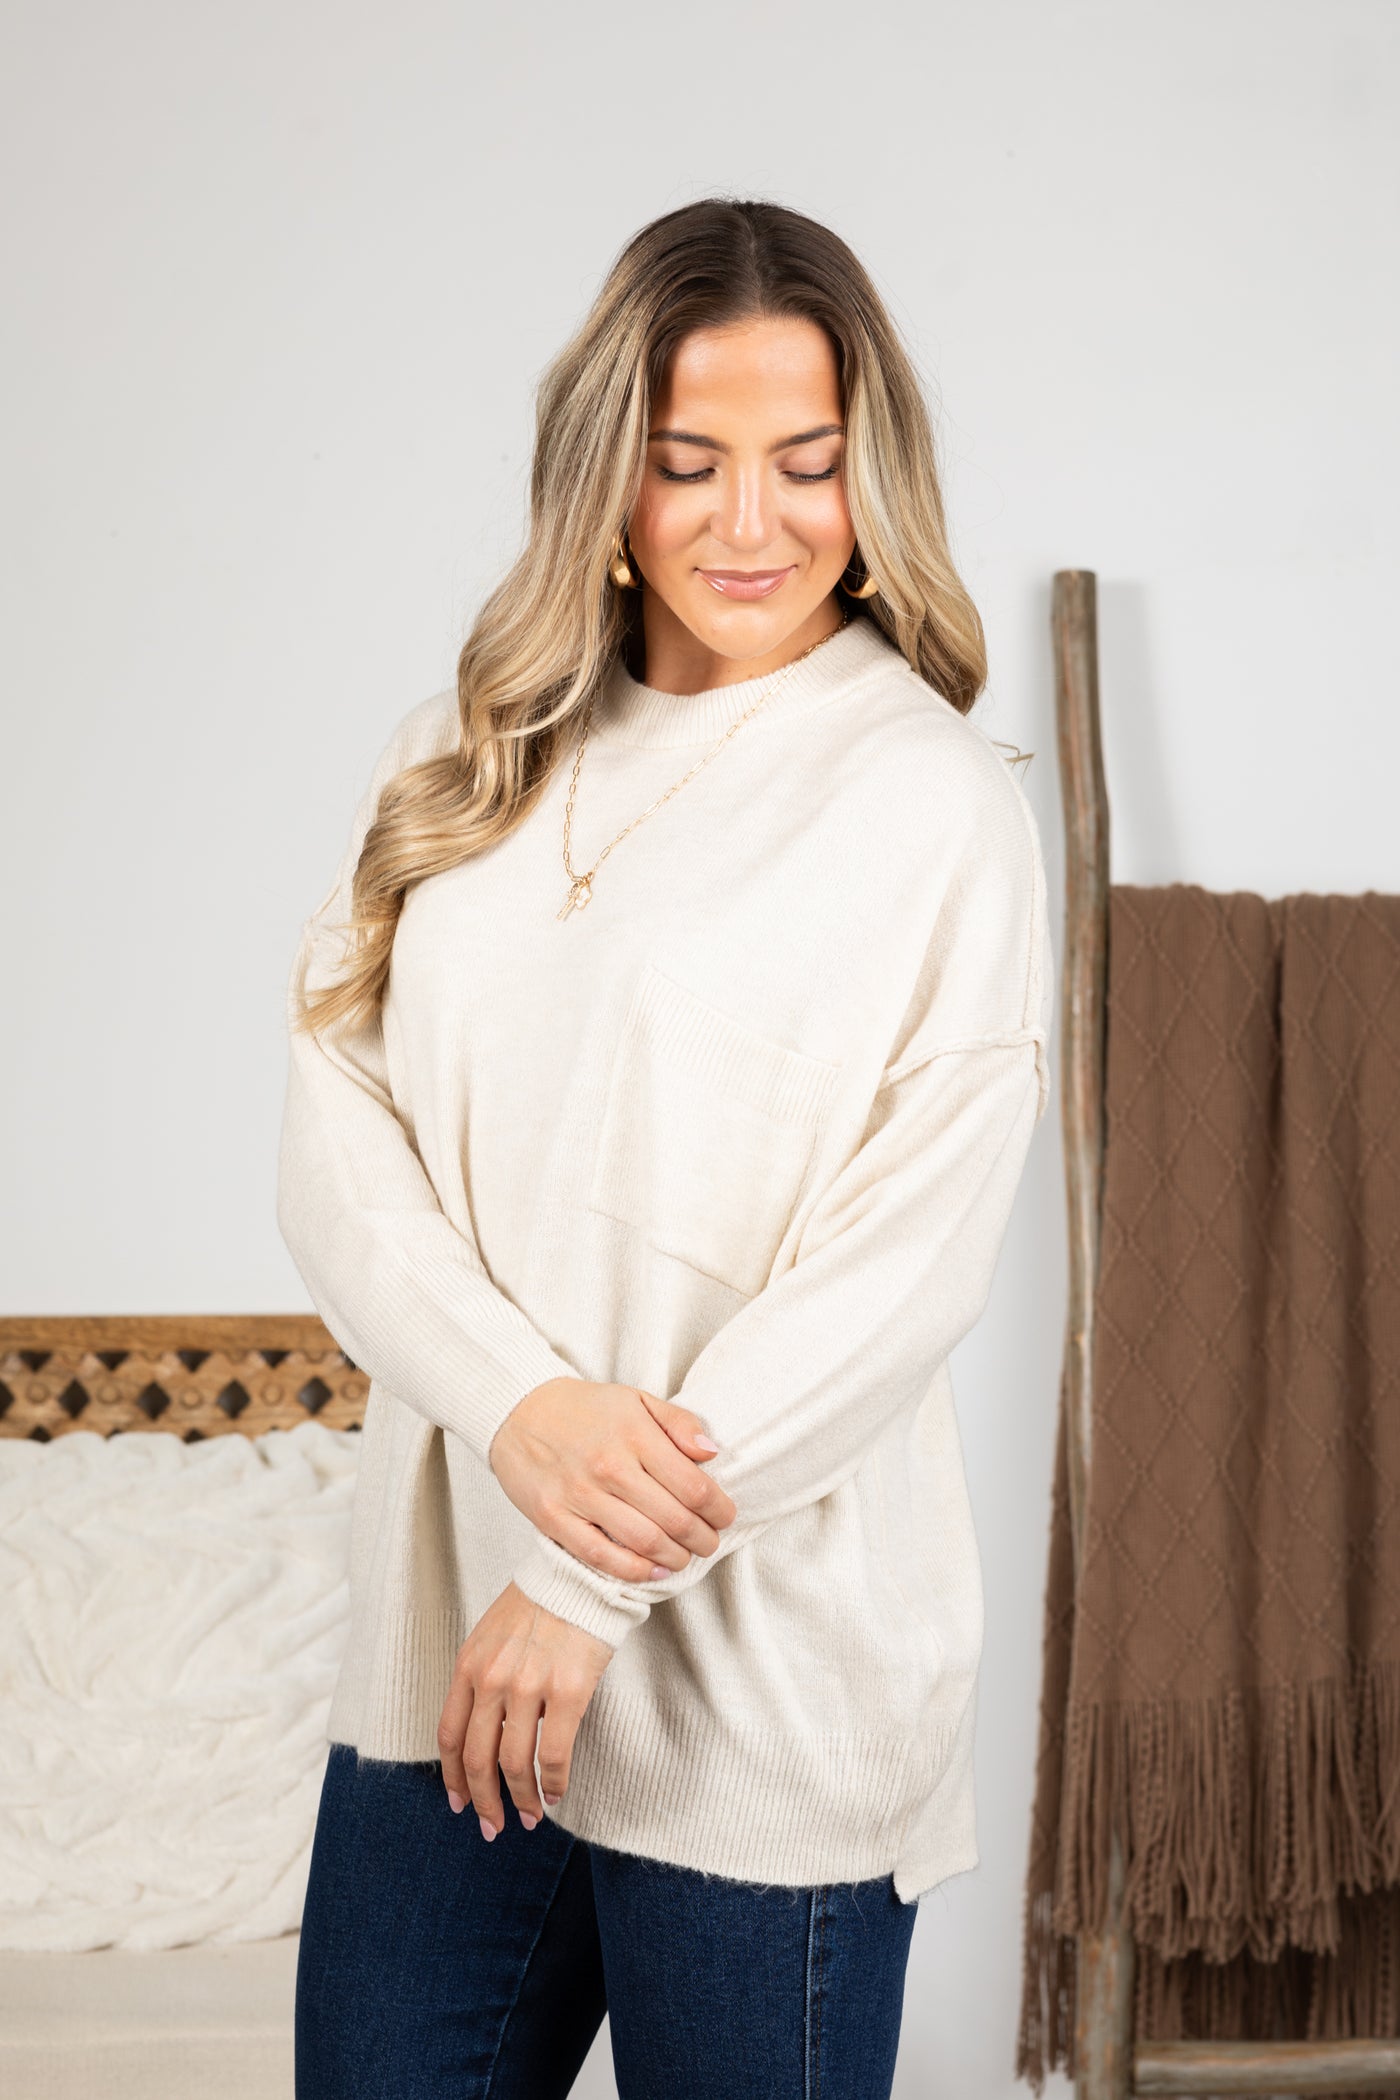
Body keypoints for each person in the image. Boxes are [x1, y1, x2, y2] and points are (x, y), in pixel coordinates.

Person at [279, 195, 1052, 2100]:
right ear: (605, 478)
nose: (750, 521)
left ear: (873, 474)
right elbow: (339, 1145)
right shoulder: (462, 750)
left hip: (762, 1678)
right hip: (457, 1659)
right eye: (689, 462)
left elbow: (902, 1270)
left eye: (808, 462)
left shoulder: (929, 803)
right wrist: (524, 1411)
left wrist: (587, 1583)